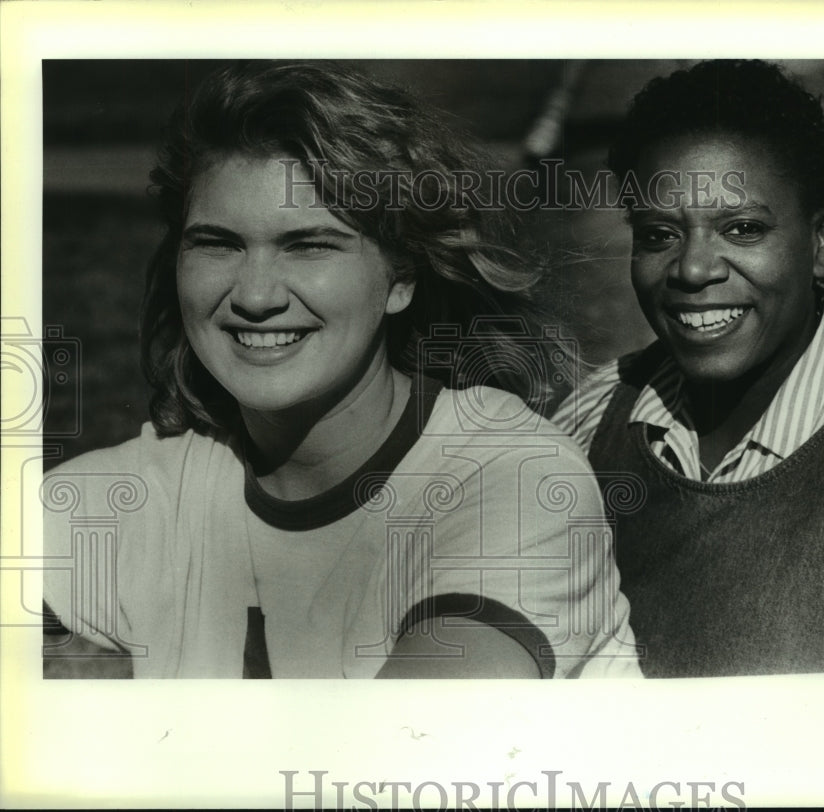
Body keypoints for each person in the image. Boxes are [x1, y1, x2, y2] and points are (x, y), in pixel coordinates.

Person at [42, 60, 639, 679]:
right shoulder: (142, 494)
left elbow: (417, 733)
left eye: (309, 246)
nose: (255, 295)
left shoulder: (511, 478)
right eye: (217, 243)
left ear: (401, 278)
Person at [553, 60, 824, 678]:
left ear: (823, 243)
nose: (693, 269)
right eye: (659, 234)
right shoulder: (593, 418)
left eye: (743, 228)